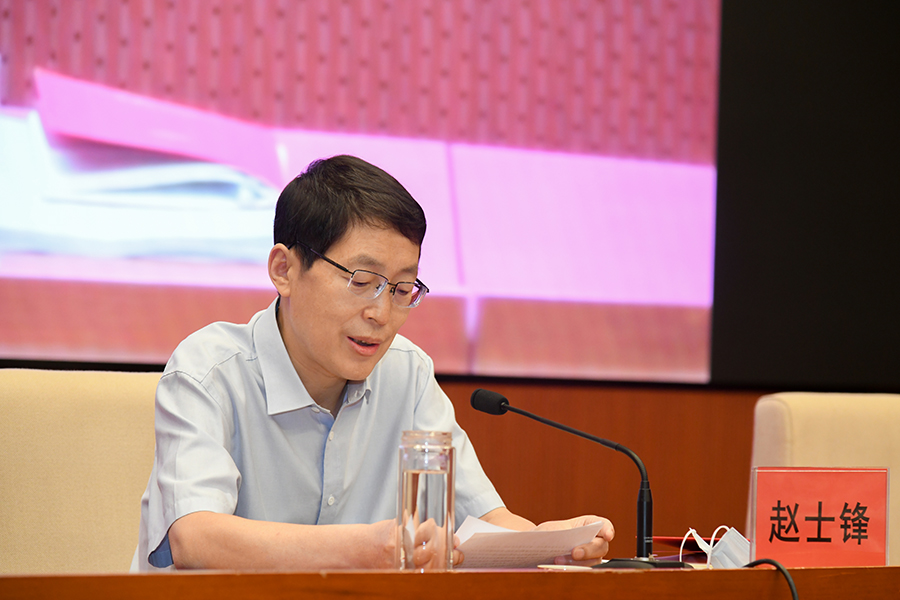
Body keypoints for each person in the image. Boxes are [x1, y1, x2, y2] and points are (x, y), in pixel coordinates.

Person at [131, 155, 614, 571]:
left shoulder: (408, 374)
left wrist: (545, 543)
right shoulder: (208, 371)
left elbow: (482, 520)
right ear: (284, 269)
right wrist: (367, 548)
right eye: (362, 282)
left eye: (402, 289)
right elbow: (195, 537)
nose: (381, 314)